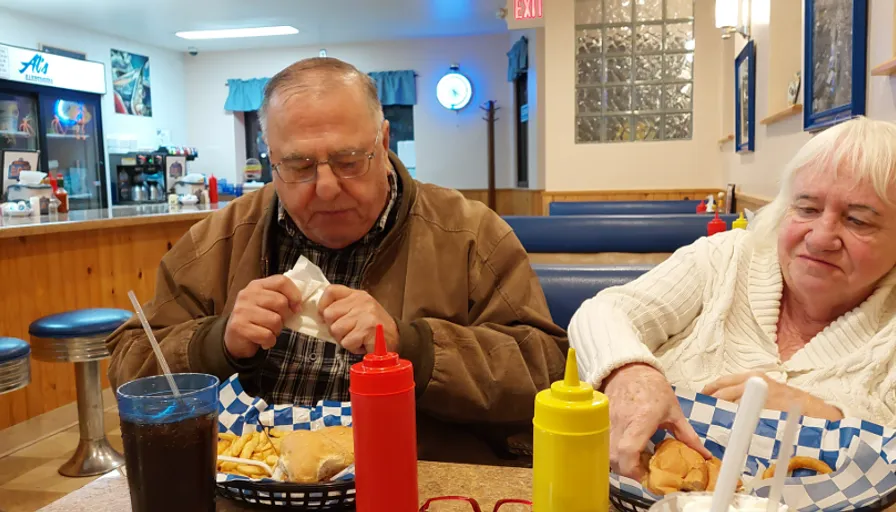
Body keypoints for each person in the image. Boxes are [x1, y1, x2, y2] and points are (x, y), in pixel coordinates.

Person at [107, 58, 567, 462]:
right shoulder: (220, 240)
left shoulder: (470, 235)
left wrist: (412, 349)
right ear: (272, 163)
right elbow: (130, 365)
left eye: (349, 161)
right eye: (300, 166)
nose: (325, 188)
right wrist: (217, 343)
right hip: (245, 479)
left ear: (384, 142)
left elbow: (544, 369)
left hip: (412, 479)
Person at [569, 117, 896, 479]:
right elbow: (602, 312)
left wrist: (824, 416)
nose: (820, 238)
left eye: (858, 221)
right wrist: (630, 374)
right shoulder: (725, 258)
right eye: (806, 209)